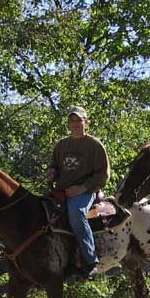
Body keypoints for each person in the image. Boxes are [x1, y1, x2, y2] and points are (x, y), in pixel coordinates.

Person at [46, 106, 110, 277]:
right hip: (62, 191)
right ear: (68, 124)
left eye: (79, 120)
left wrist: (82, 188)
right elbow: (54, 166)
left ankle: (90, 261)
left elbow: (103, 175)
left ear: (86, 123)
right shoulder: (61, 145)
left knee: (76, 213)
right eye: (72, 121)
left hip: (86, 191)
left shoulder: (94, 145)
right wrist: (51, 172)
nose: (75, 124)